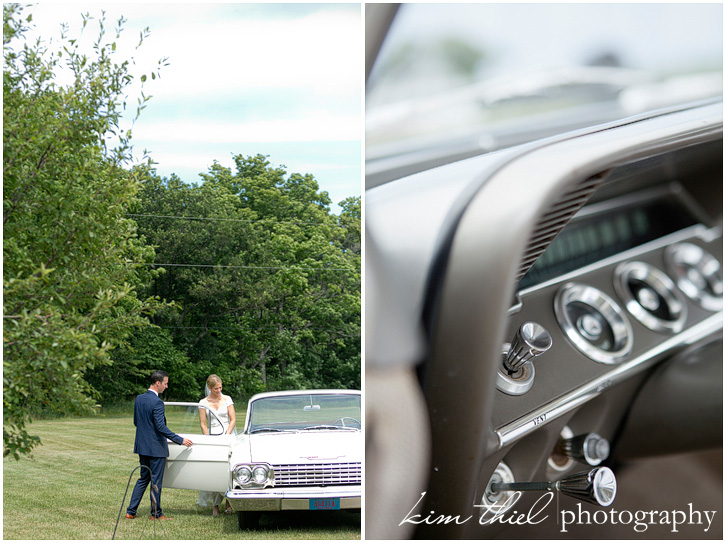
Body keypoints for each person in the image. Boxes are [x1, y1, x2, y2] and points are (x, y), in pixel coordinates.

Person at [125, 370, 193, 520]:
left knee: (143, 478)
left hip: (142, 447)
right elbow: (161, 427)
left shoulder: (139, 399)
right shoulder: (157, 402)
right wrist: (179, 440)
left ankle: (130, 512)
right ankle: (156, 514)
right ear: (158, 383)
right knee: (156, 481)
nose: (166, 386)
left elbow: (136, 422)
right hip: (156, 449)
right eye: (165, 383)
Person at [197, 374, 236, 516]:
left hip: (227, 435)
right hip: (212, 437)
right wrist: (208, 439)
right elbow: (203, 423)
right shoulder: (203, 402)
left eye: (220, 388)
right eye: (215, 389)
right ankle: (215, 505)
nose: (218, 391)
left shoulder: (227, 399)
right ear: (209, 388)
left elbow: (233, 419)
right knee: (213, 469)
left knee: (228, 469)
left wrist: (227, 435)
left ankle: (228, 502)